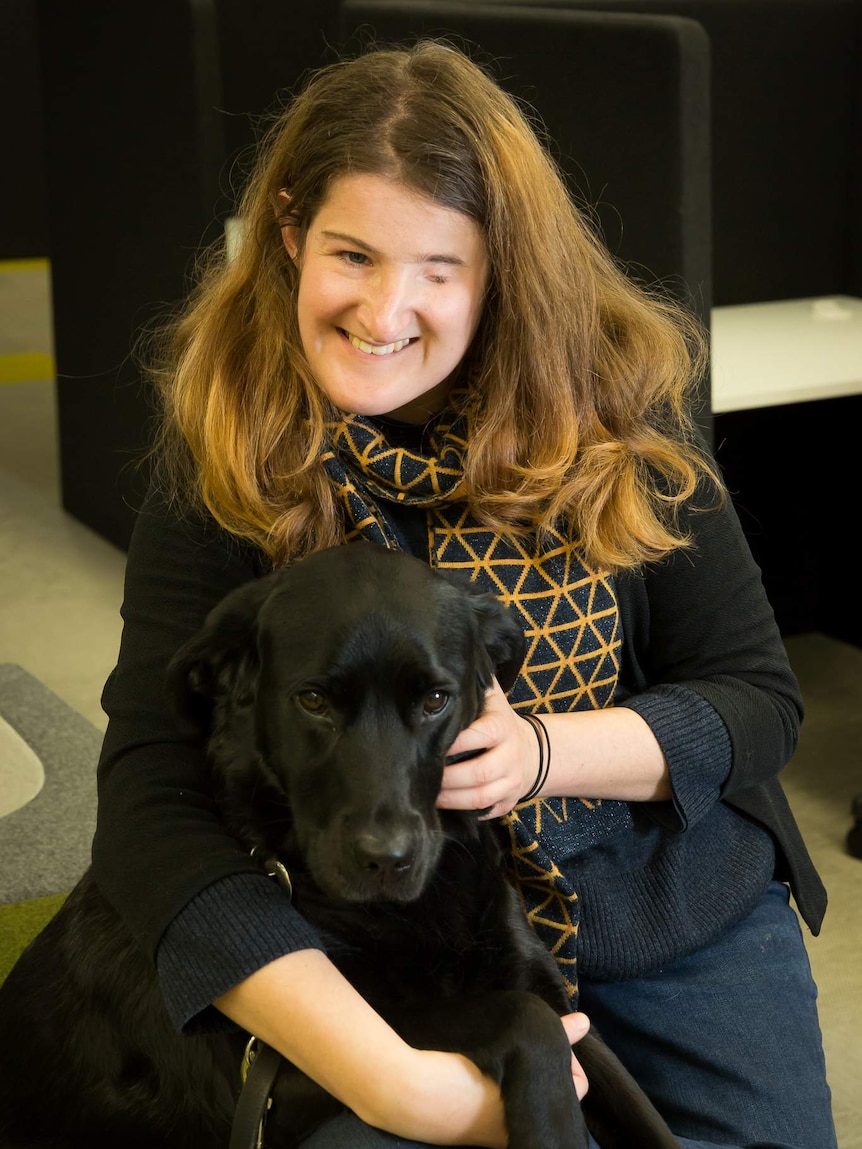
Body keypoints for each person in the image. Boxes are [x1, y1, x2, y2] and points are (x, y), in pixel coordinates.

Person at [92, 39, 837, 1149]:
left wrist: (541, 754)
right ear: (290, 231)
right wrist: (399, 1085)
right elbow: (151, 792)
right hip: (381, 925)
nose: (387, 308)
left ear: (501, 271)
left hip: (658, 887)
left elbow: (756, 702)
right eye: (352, 253)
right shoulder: (228, 448)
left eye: (441, 268)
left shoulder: (621, 406)